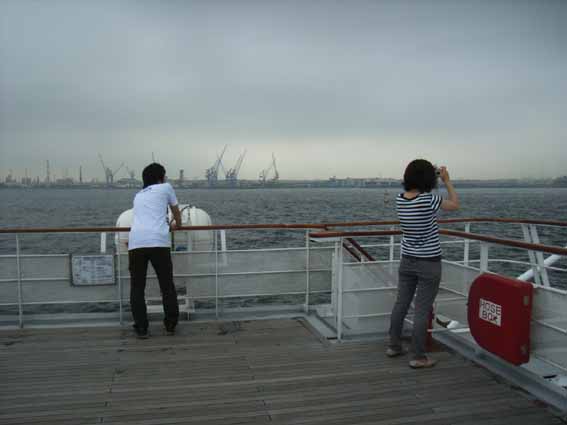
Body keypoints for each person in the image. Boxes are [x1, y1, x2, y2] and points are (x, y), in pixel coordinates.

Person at [386, 159, 459, 368]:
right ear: (427, 178)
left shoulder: (400, 199)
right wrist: (447, 181)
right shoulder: (428, 199)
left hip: (407, 260)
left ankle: (394, 345)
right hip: (429, 262)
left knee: (401, 303)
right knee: (422, 309)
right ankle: (418, 356)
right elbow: (455, 205)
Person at [128, 163, 182, 339]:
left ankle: (141, 328)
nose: (165, 178)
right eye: (164, 175)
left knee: (137, 288)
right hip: (158, 241)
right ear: (160, 177)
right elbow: (176, 211)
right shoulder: (166, 187)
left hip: (136, 243)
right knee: (166, 285)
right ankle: (170, 325)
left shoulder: (138, 195)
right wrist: (177, 225)